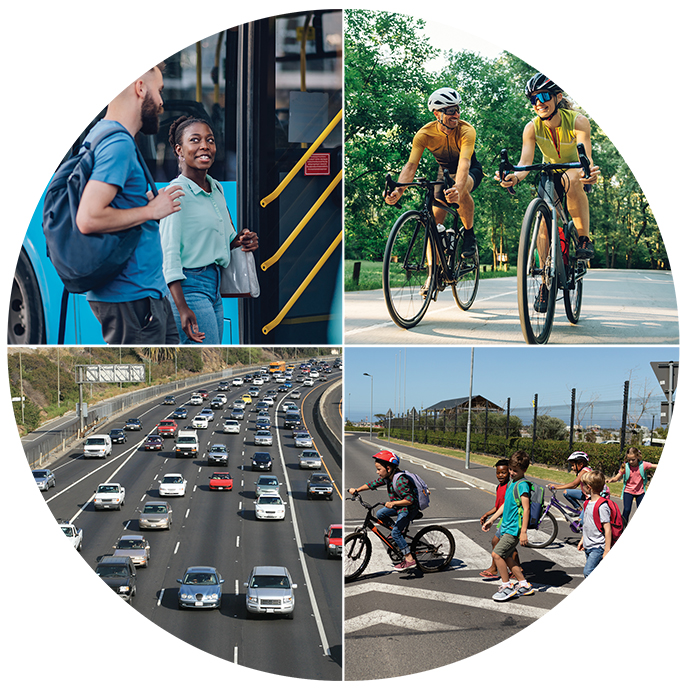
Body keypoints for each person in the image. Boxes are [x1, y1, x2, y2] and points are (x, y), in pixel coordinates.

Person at [75, 64, 185, 344]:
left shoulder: (103, 134)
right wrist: (151, 210)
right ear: (139, 88)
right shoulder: (118, 145)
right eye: (158, 91)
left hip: (146, 292)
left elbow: (114, 204)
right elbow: (88, 218)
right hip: (131, 295)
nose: (161, 102)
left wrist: (144, 204)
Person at [495, 73, 600, 311]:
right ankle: (545, 279)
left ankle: (583, 238)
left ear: (557, 97)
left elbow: (587, 158)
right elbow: (524, 163)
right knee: (542, 220)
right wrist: (512, 177)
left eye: (543, 96)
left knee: (573, 178)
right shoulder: (531, 128)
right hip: (549, 173)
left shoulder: (578, 121)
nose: (538, 103)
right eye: (533, 99)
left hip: (574, 173)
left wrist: (589, 172)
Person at [160, 116, 259, 343]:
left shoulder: (216, 188)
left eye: (210, 140)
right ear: (179, 150)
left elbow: (226, 237)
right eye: (195, 140)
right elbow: (169, 255)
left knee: (214, 350)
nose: (205, 146)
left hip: (214, 288)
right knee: (206, 354)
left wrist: (243, 240)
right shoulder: (175, 193)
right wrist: (182, 307)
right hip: (189, 288)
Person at [384, 87, 484, 270]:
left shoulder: (466, 130)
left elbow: (464, 163)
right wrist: (398, 191)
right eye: (451, 111)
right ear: (437, 113)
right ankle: (433, 275)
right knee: (433, 225)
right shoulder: (424, 134)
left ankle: (469, 234)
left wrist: (458, 188)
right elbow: (411, 166)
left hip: (469, 170)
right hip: (444, 172)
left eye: (458, 109)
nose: (457, 115)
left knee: (461, 190)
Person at [348, 450, 421, 571]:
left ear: (388, 468)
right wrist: (357, 490)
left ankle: (409, 558)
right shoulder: (388, 477)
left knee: (395, 533)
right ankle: (396, 531)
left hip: (408, 508)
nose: (377, 472)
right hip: (399, 507)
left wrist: (393, 503)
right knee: (380, 514)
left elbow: (410, 500)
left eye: (379, 469)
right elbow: (373, 484)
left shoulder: (400, 480)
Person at [481, 450, 535, 601]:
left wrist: (523, 532)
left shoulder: (522, 485)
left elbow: (526, 509)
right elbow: (505, 504)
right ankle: (524, 584)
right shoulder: (512, 483)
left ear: (524, 470)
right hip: (505, 527)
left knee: (497, 554)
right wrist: (492, 520)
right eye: (510, 469)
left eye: (515, 470)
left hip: (514, 529)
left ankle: (506, 586)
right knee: (508, 557)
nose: (511, 472)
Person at [479, 458, 520, 579]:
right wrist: (487, 514)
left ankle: (494, 568)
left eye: (503, 472)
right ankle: (518, 567)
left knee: (497, 542)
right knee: (508, 546)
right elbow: (498, 506)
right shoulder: (499, 487)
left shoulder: (509, 486)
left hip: (510, 520)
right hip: (504, 519)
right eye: (498, 472)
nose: (500, 475)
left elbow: (506, 505)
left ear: (510, 472)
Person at [607, 446, 658, 524]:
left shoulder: (643, 465)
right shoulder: (625, 466)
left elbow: (655, 466)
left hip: (640, 492)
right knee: (627, 510)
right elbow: (617, 477)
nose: (630, 462)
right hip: (628, 491)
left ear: (637, 457)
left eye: (633, 460)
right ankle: (623, 526)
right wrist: (611, 480)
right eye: (629, 460)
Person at [577, 470, 612, 577]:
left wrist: (607, 550)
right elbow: (587, 525)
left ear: (589, 487)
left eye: (582, 485)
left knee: (588, 572)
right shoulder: (587, 503)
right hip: (588, 545)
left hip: (598, 547)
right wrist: (583, 540)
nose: (581, 486)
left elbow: (608, 529)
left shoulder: (602, 506)